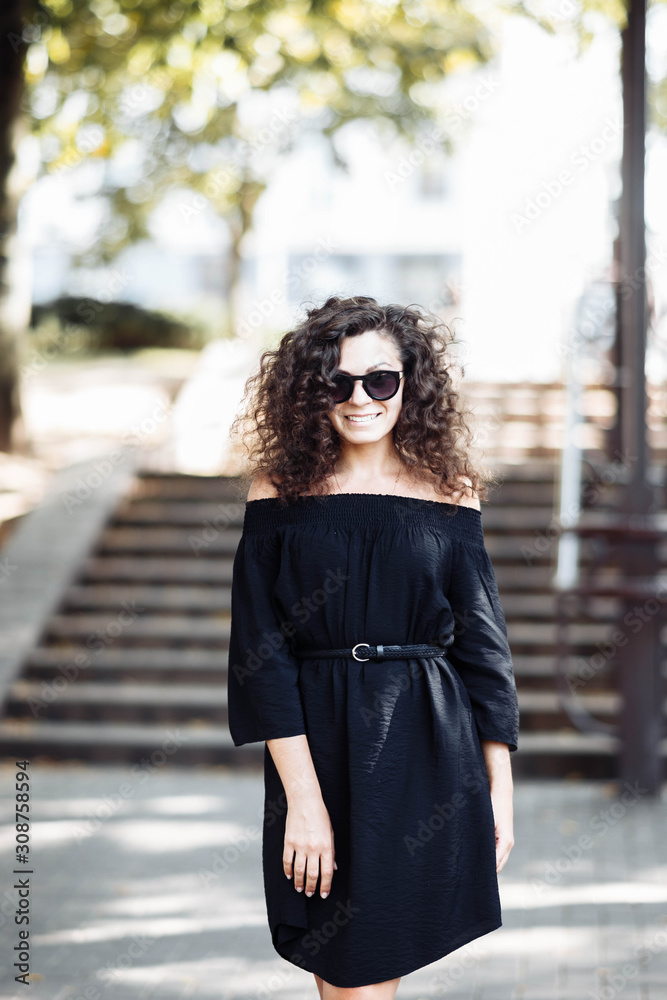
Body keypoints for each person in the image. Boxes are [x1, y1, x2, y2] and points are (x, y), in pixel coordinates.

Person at [226, 295, 520, 999]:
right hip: (317, 743)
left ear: (410, 385)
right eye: (337, 381)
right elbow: (260, 651)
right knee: (343, 957)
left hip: (424, 742)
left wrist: (499, 791)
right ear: (309, 392)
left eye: (379, 380)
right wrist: (303, 800)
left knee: (365, 961)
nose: (359, 398)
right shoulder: (280, 491)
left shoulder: (451, 494)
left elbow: (484, 649)